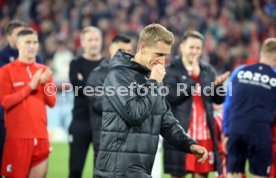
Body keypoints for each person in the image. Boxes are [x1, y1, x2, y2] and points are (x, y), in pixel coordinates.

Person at [94, 23, 208, 178]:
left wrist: (190, 145)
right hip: (117, 170)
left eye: (165, 56)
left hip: (138, 168)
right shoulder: (118, 75)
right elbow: (134, 114)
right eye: (159, 54)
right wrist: (154, 83)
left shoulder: (151, 78)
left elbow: (166, 121)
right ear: (142, 47)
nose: (162, 61)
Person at [163, 31, 229, 178]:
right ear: (182, 47)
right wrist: (193, 78)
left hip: (204, 134)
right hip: (180, 134)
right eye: (191, 47)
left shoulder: (207, 70)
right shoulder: (171, 70)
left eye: (198, 48)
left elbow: (218, 100)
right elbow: (171, 97)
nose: (195, 51)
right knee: (178, 174)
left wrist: (218, 87)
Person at [0, 28, 56, 178]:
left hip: (41, 136)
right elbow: (5, 102)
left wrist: (44, 84)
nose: (32, 46)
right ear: (18, 45)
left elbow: (52, 102)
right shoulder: (5, 71)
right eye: (28, 42)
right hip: (18, 139)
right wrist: (30, 86)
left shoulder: (45, 71)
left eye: (35, 42)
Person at [223, 38, 276, 178]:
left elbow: (228, 103)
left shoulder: (239, 72)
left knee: (233, 174)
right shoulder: (275, 77)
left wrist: (226, 132)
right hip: (260, 132)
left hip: (236, 130)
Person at [86, 34, 132, 165]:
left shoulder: (134, 75)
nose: (126, 54)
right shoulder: (97, 75)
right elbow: (98, 104)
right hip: (105, 141)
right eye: (121, 50)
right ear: (111, 49)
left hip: (129, 142)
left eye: (129, 50)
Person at [68, 26, 104, 178]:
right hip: (80, 123)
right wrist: (100, 88)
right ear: (82, 42)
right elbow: (77, 86)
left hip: (102, 124)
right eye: (90, 40)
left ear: (101, 41)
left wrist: (85, 85)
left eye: (96, 39)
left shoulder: (108, 65)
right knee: (75, 170)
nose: (93, 43)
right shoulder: (75, 63)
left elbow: (111, 91)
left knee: (101, 172)